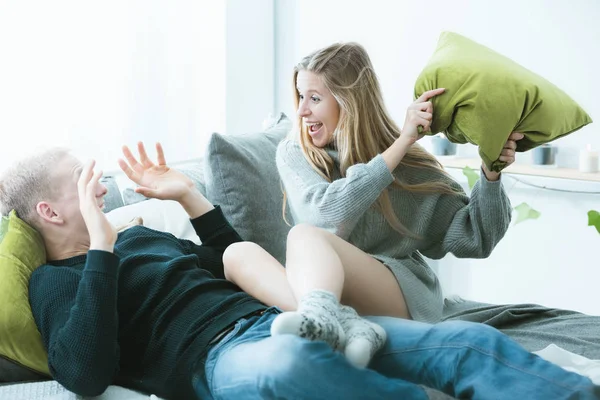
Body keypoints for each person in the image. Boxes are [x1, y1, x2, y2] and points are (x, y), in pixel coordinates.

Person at [0, 144, 597, 400]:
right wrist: (100, 251)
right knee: (291, 369)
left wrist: (189, 198)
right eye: (84, 183)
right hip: (217, 361)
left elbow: (235, 261)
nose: (101, 187)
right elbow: (83, 371)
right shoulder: (54, 284)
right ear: (49, 212)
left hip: (290, 316)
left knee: (468, 341)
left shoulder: (145, 237)